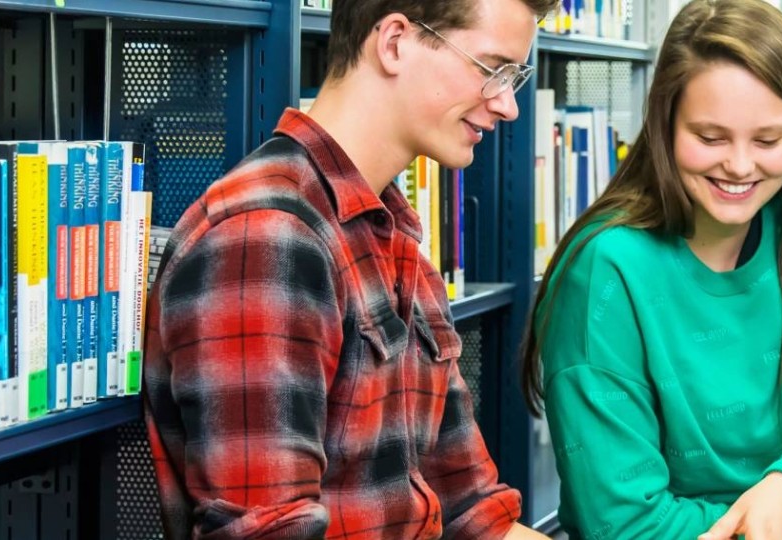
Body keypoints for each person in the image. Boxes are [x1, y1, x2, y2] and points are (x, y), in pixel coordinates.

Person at [139, 0, 556, 538]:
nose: (508, 106)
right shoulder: (264, 239)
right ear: (395, 42)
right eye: (490, 69)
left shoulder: (397, 244)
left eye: (514, 78)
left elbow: (474, 514)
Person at [519, 1, 782, 539]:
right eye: (710, 138)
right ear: (664, 125)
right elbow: (624, 525)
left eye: (767, 140)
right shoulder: (604, 272)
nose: (741, 166)